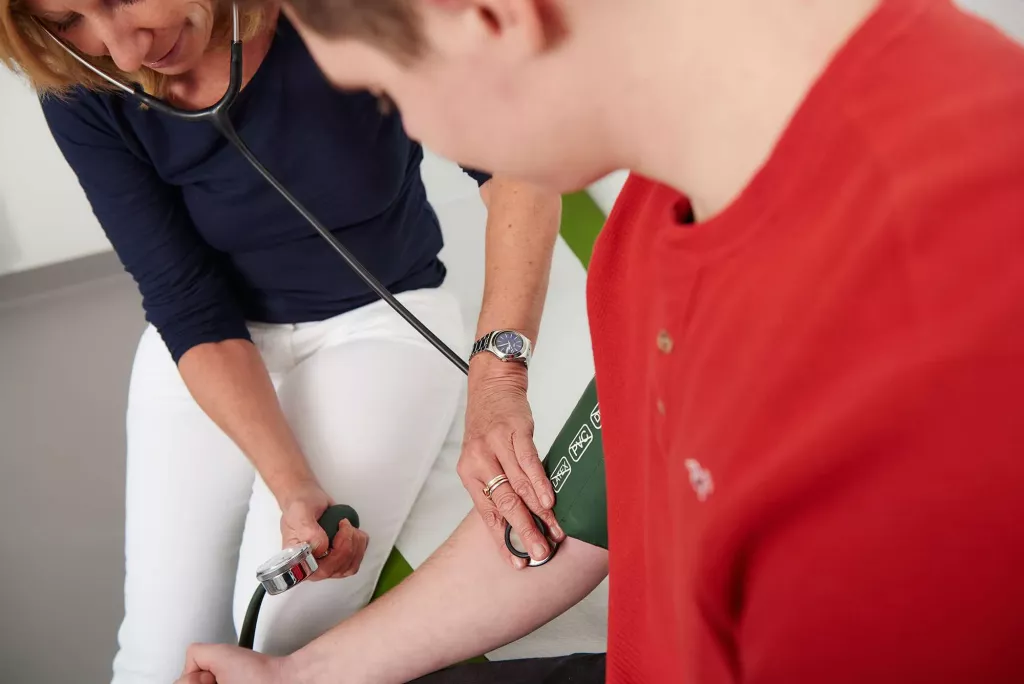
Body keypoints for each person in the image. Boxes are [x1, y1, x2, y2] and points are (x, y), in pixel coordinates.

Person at [171, 0, 1024, 682]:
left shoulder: (944, 326)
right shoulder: (675, 181)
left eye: (389, 96)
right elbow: (585, 512)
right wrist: (300, 674)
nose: (420, 135)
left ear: (491, 17)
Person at [0, 1, 570, 681]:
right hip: (211, 343)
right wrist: (292, 486)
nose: (123, 52)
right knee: (157, 656)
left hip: (380, 318)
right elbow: (184, 302)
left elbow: (516, 165)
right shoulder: (83, 84)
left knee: (281, 634)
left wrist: (499, 373)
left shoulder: (337, 14)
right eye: (69, 19)